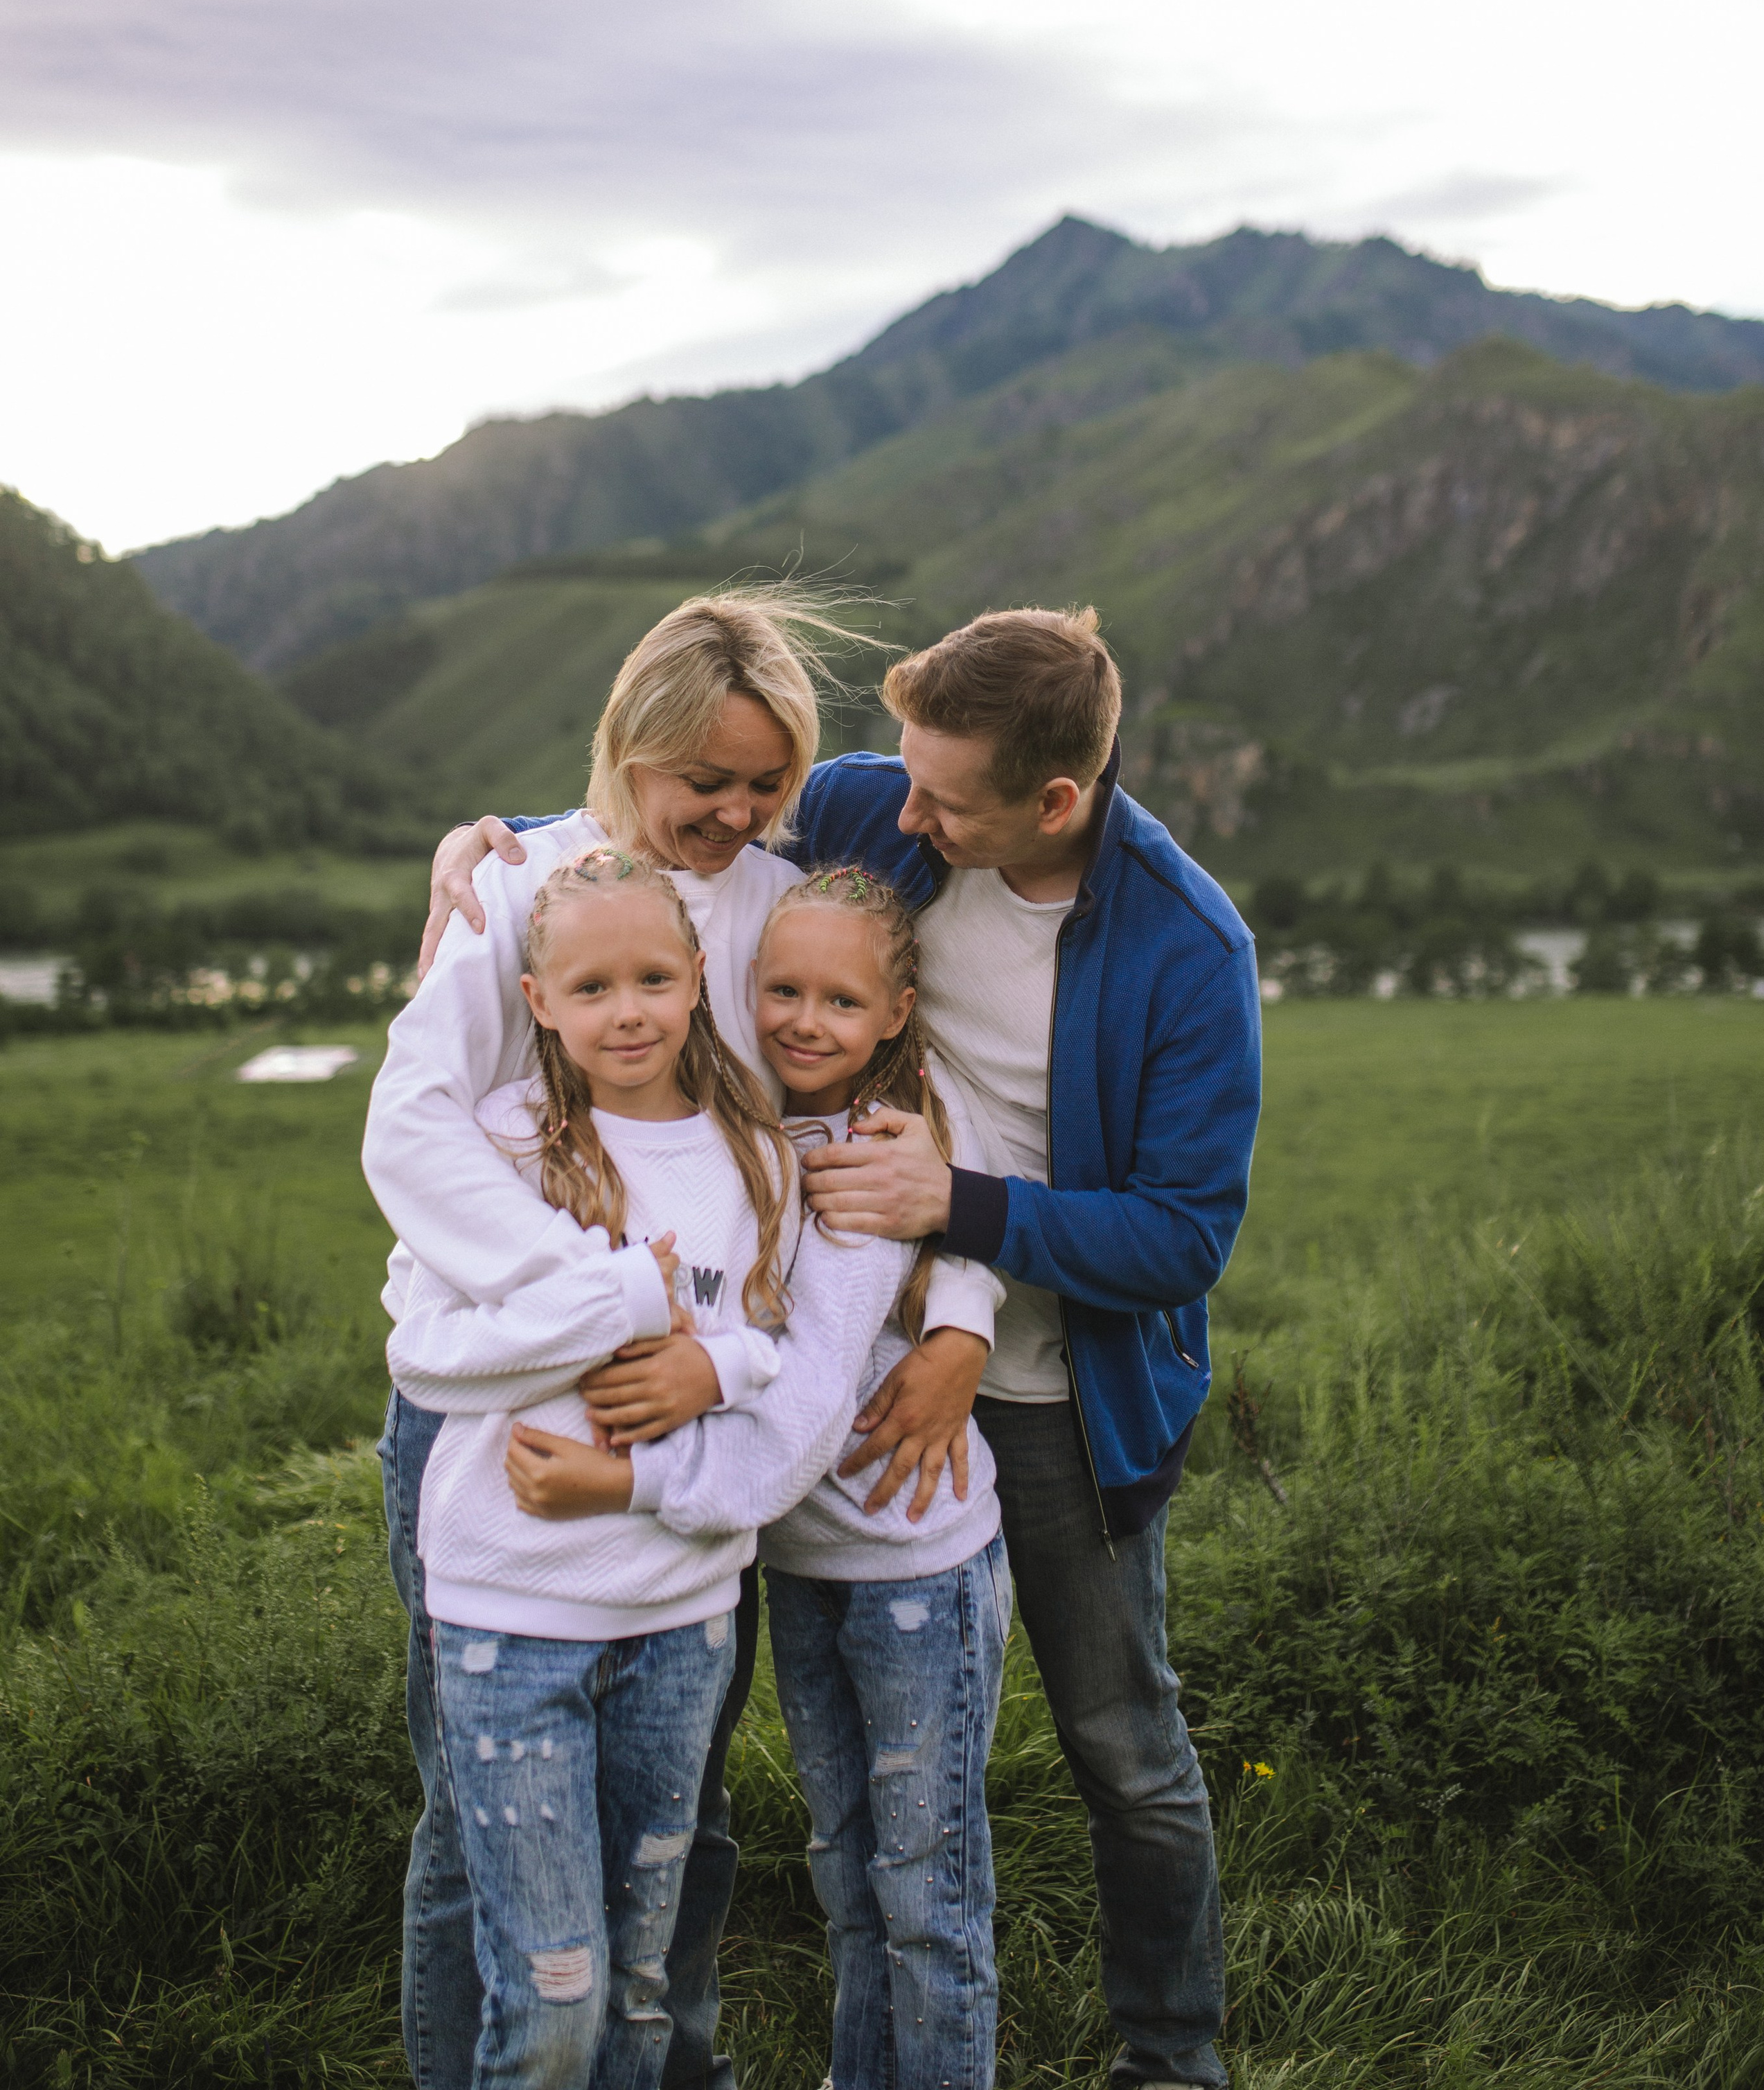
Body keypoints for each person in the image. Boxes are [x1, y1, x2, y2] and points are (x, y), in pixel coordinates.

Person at [434, 604, 1262, 2090]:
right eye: (900, 782)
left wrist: (963, 1244)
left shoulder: (1182, 946)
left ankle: (1172, 2057)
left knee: (1119, 1742)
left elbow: (1183, 1237)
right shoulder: (881, 813)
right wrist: (496, 849)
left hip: (1054, 1392)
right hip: (820, 1390)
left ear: (1053, 803)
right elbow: (660, 808)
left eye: (943, 799)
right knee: (743, 1770)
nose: (898, 809)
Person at [371, 593, 986, 2090]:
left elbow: (905, 1086)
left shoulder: (777, 900)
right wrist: (590, 1292)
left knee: (680, 1795)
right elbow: (414, 1120)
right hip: (500, 1407)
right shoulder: (522, 883)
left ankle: (666, 2065)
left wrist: (956, 1307)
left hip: (704, 1406)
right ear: (626, 749)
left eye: (761, 779)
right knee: (477, 1801)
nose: (730, 808)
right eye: (698, 777)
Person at [750, 868, 1008, 2090]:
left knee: (927, 1890)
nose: (806, 1019)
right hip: (804, 1561)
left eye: (840, 1000)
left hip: (916, 1559)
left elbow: (980, 1227)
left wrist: (966, 1322)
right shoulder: (742, 1127)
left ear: (895, 1011)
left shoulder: (903, 1133)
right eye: (782, 989)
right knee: (846, 1873)